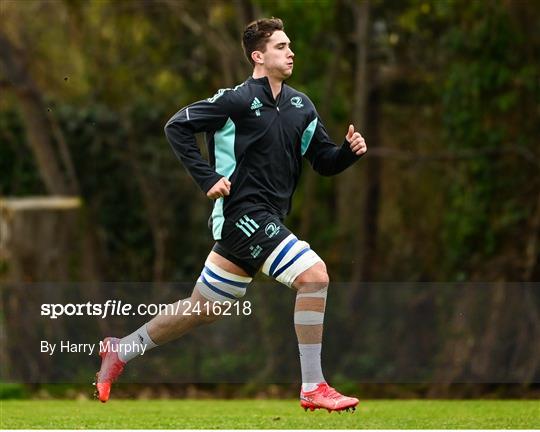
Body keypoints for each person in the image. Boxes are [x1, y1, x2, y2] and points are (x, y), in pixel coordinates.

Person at [96, 17, 367, 412]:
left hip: (265, 219)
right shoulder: (235, 100)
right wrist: (208, 178)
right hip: (242, 213)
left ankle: (122, 349)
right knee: (314, 276)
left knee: (201, 308)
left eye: (290, 45)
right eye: (280, 47)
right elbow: (177, 127)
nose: (290, 52)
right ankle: (314, 385)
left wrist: (346, 153)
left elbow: (322, 161)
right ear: (258, 56)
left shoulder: (300, 105)